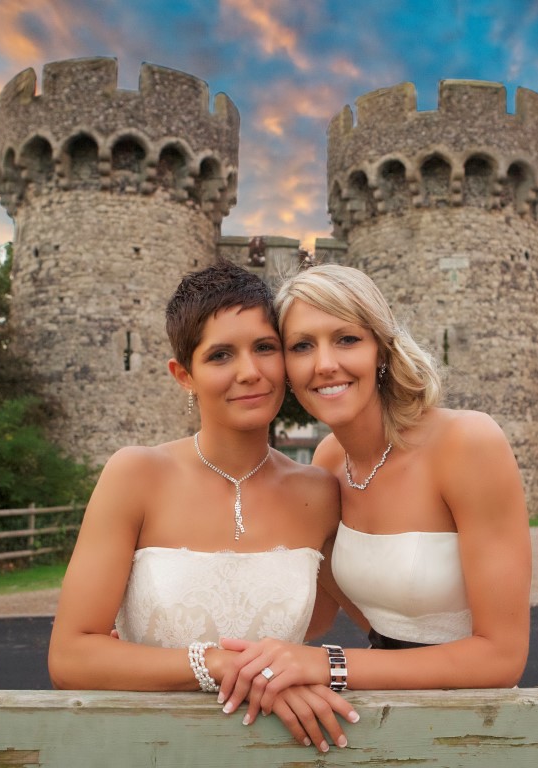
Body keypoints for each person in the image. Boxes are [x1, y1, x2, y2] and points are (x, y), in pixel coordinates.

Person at [48, 260, 357, 751]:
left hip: (283, 752)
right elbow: (69, 657)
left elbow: (373, 621)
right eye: (219, 356)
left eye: (264, 348)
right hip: (146, 749)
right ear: (183, 375)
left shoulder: (320, 492)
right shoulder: (136, 475)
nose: (250, 372)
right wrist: (219, 664)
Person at [217, 263, 532, 723]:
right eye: (302, 346)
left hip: (473, 719)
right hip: (378, 711)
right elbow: (315, 613)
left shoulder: (468, 443)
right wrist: (163, 636)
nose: (325, 364)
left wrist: (330, 665)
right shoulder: (327, 462)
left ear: (381, 350)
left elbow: (501, 658)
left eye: (346, 339)